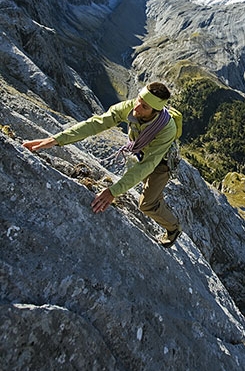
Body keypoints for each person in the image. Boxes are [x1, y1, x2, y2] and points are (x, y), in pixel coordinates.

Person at [23, 82, 182, 248]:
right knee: (149, 191)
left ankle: (174, 228)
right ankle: (156, 197)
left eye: (144, 106)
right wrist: (57, 140)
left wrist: (113, 191)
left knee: (146, 204)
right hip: (142, 152)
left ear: (155, 111)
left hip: (161, 163)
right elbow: (96, 123)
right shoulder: (129, 107)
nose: (137, 107)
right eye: (138, 100)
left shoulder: (167, 129)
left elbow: (149, 165)